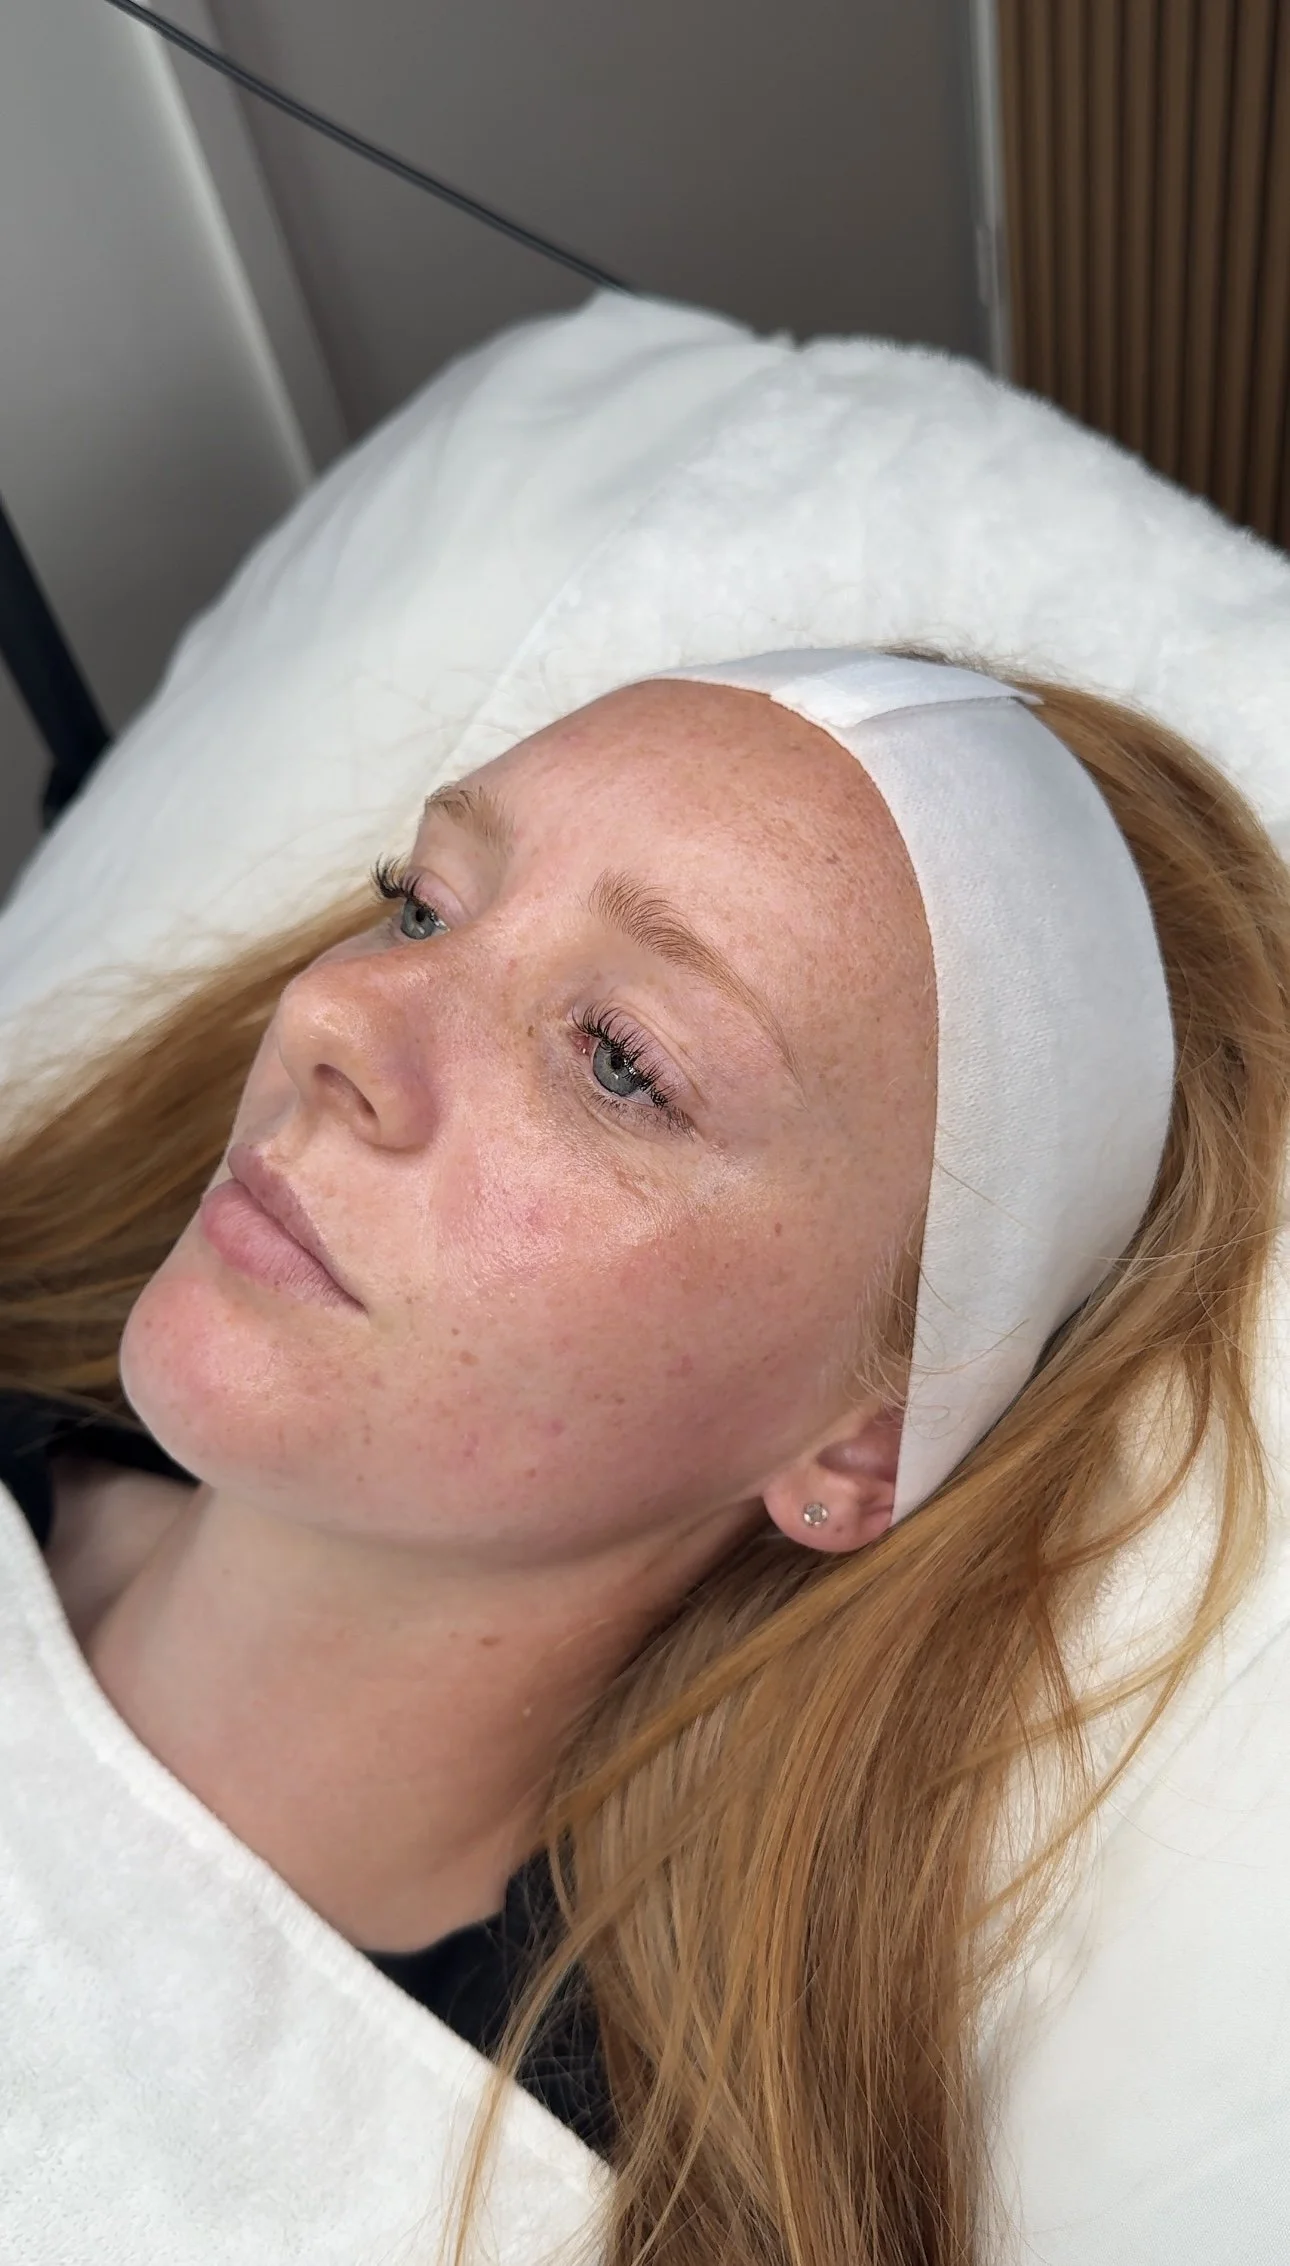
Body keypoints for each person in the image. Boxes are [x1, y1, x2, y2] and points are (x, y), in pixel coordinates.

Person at [1, 644, 1288, 2266]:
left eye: (621, 1059)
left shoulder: (548, 2217)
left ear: (863, 1438)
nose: (335, 1013)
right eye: (421, 904)